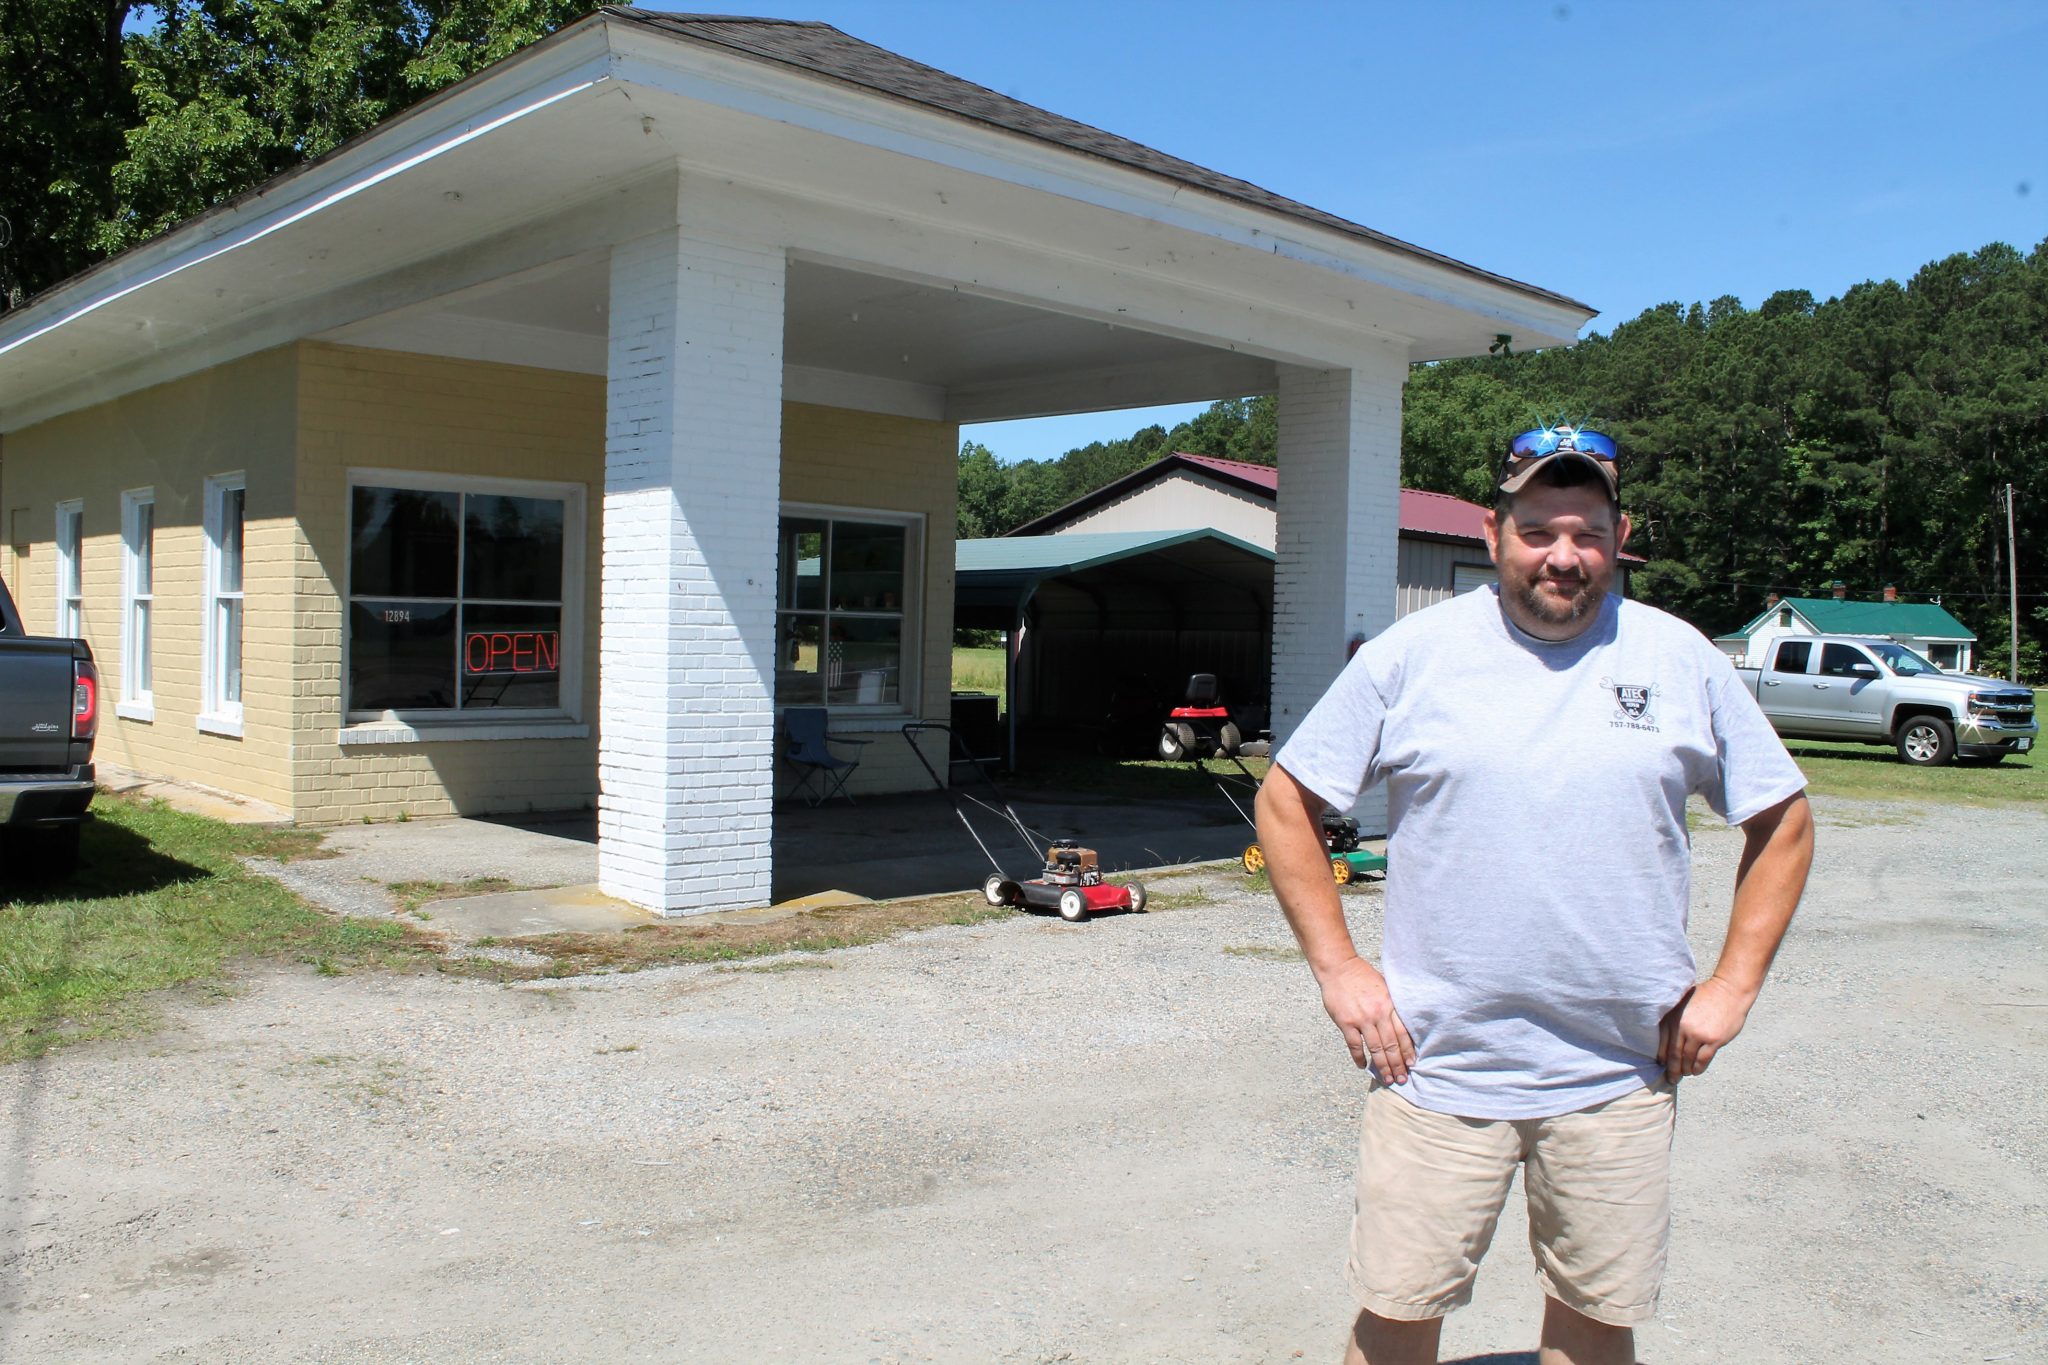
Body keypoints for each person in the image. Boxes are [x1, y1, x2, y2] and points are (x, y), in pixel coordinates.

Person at [1254, 425, 1815, 1365]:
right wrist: (1341, 967)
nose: (1564, 556)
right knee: (1395, 1314)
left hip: (1619, 1077)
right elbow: (1286, 800)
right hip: (1434, 1072)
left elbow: (1784, 821)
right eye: (1540, 530)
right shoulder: (1411, 655)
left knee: (1597, 1324)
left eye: (1588, 532)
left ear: (1619, 533)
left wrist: (1732, 986)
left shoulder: (1682, 660)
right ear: (1493, 532)